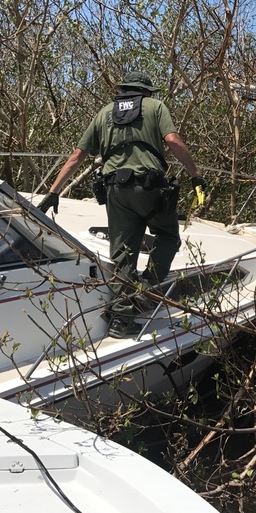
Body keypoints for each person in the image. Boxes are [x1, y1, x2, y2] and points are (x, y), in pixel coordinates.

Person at [37, 71, 207, 338]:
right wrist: (196, 175)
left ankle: (122, 321)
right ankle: (146, 291)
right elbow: (173, 140)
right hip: (150, 189)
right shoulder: (155, 106)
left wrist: (53, 192)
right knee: (167, 237)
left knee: (123, 255)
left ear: (124, 90)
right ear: (146, 92)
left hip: (115, 191)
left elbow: (77, 156)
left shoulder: (104, 113)